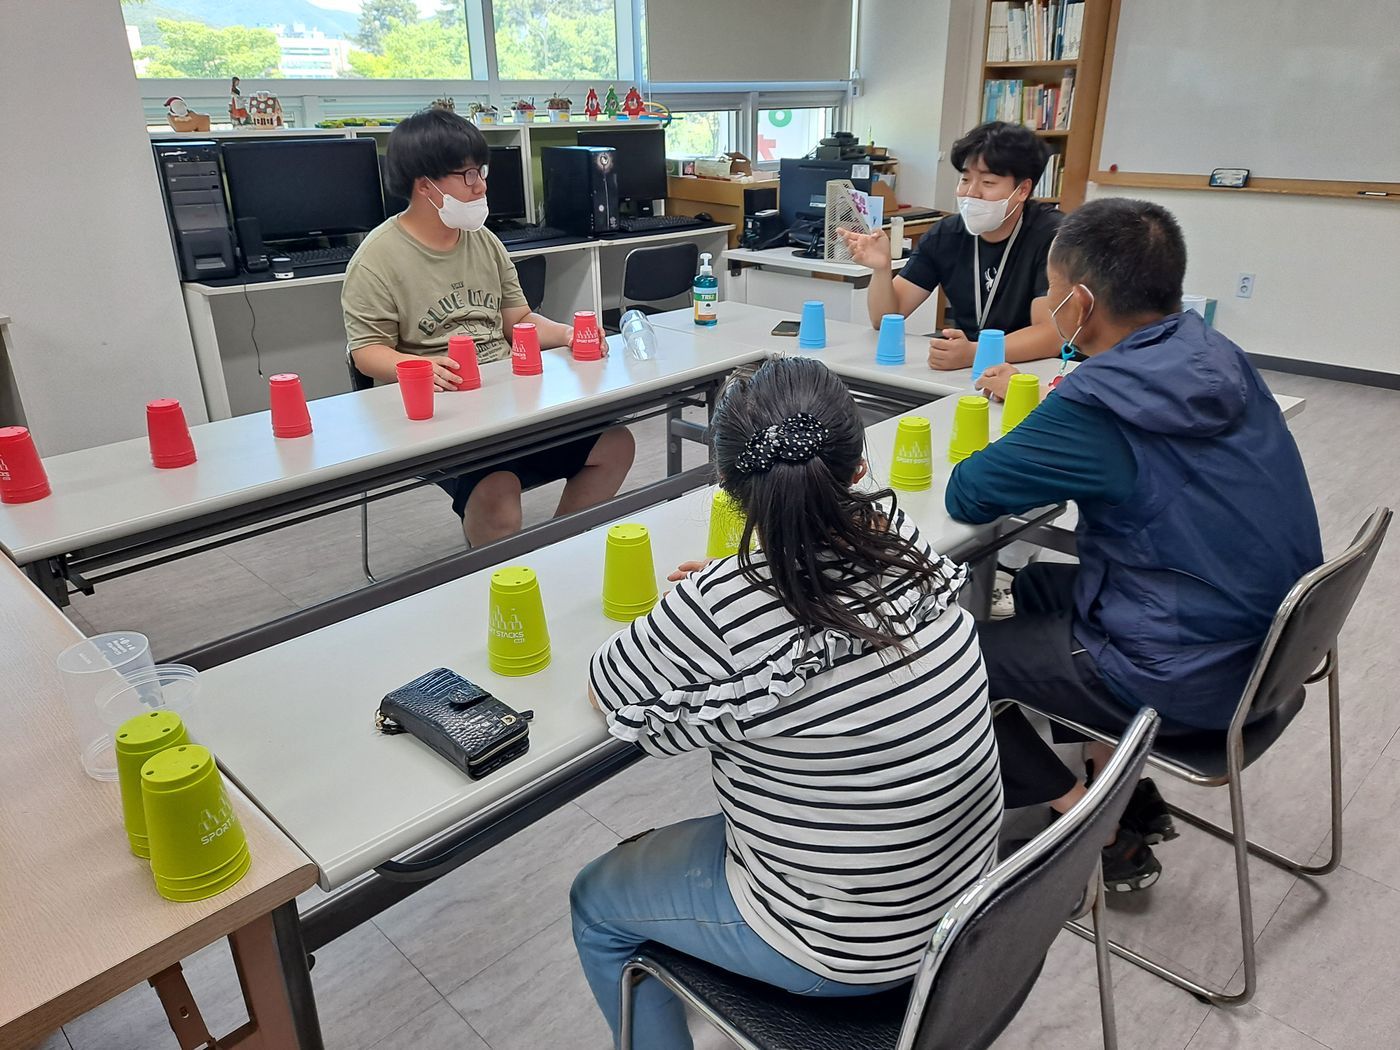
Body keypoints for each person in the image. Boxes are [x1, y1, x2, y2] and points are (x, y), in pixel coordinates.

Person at [572, 357, 1002, 1050]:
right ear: (859, 465)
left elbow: (606, 685)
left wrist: (718, 595)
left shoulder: (716, 606)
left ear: (727, 486)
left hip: (843, 949)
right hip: (968, 907)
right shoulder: (900, 535)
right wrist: (735, 587)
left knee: (596, 901)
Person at [945, 198, 1323, 891]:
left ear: (1081, 303)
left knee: (945, 668)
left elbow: (969, 494)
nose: (1046, 303)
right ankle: (1110, 777)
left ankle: (1088, 819)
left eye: (1052, 290)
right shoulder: (1217, 354)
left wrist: (1051, 416)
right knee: (1036, 587)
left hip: (1186, 669)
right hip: (1271, 647)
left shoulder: (1096, 404)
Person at [342, 108, 635, 545]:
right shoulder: (377, 259)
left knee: (615, 444)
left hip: (505, 397)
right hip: (443, 414)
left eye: (481, 171)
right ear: (425, 185)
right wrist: (417, 368)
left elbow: (518, 321)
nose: (481, 185)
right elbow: (366, 352)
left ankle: (556, 548)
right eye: (467, 175)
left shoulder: (484, 241)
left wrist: (566, 335)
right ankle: (501, 574)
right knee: (497, 493)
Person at [838, 121, 1062, 371]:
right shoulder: (946, 235)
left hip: (1033, 370)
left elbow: (1051, 335)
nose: (971, 192)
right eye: (965, 179)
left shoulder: (1054, 237)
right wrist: (881, 270)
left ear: (1022, 190)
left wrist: (975, 353)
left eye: (988, 182)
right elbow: (885, 320)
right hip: (967, 369)